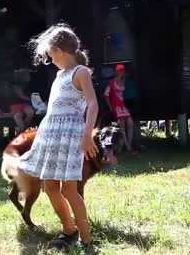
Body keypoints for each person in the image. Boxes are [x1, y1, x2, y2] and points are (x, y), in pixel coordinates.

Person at [19, 23, 98, 249]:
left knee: (68, 189)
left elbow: (92, 105)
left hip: (71, 136)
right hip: (51, 135)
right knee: (51, 187)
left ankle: (86, 238)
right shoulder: (59, 73)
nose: (48, 57)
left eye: (50, 53)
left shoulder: (80, 72)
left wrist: (87, 135)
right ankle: (68, 229)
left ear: (60, 51)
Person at [103, 64, 135, 153]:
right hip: (116, 106)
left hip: (122, 106)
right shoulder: (112, 82)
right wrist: (110, 107)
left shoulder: (123, 81)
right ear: (117, 72)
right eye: (120, 70)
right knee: (122, 125)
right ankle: (128, 147)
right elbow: (106, 95)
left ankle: (128, 144)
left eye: (123, 70)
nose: (122, 72)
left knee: (131, 124)